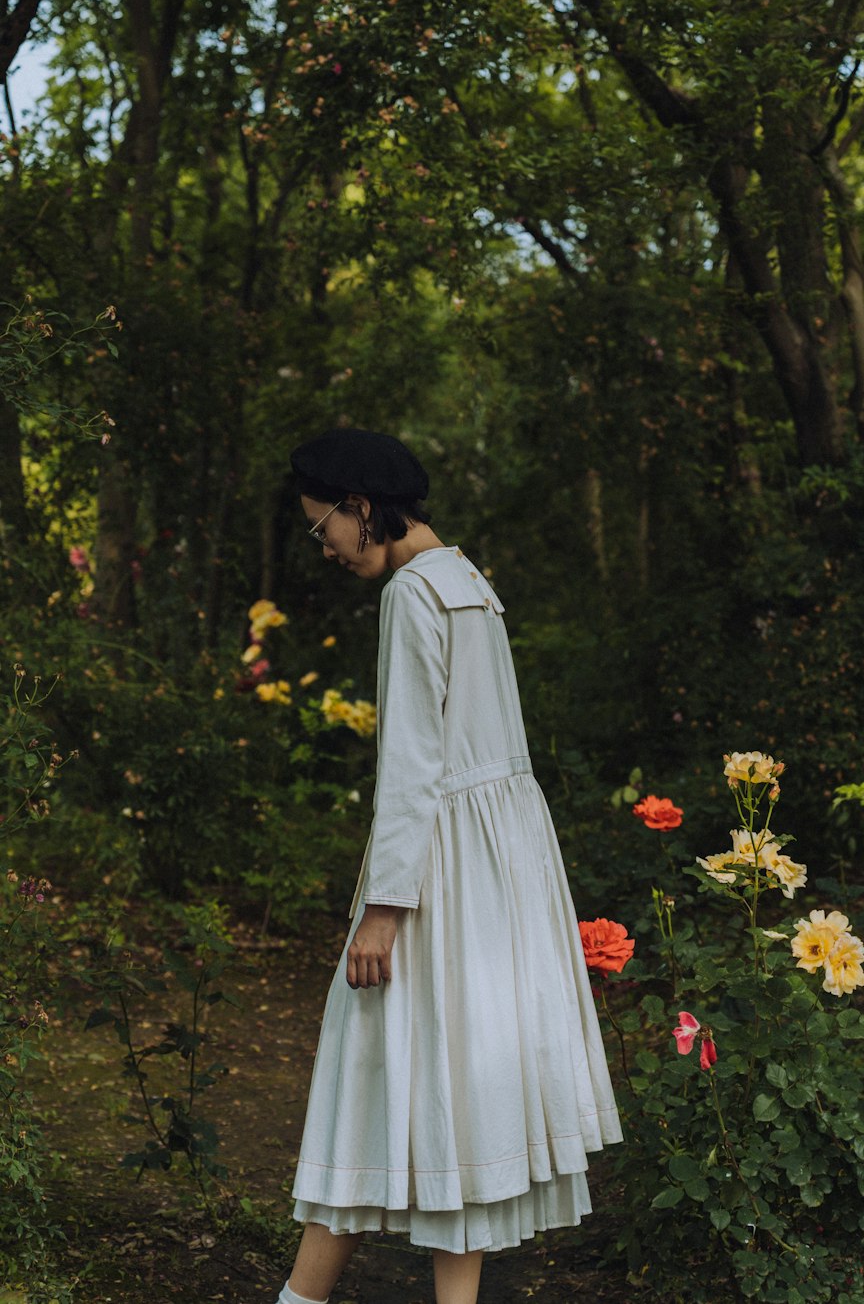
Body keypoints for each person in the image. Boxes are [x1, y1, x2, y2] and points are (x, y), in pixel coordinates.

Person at [275, 428, 622, 1304]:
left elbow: (414, 766)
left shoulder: (410, 596)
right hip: (500, 870)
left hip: (436, 871)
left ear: (361, 510)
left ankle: (300, 1299)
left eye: (324, 529)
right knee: (460, 1092)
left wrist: (386, 907)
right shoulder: (470, 582)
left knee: (369, 1080)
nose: (325, 550)